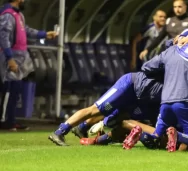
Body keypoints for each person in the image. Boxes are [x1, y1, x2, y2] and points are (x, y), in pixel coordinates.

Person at [48, 72, 163, 146]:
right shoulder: (168, 66)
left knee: (114, 114)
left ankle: (82, 128)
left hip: (138, 101)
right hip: (128, 87)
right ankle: (60, 131)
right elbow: (148, 66)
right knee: (97, 109)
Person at [0, 0, 57, 131]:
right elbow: (3, 38)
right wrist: (9, 58)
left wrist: (44, 34)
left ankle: (11, 120)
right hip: (11, 56)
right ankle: (5, 120)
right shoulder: (7, 15)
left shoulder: (18, 15)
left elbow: (25, 30)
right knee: (8, 89)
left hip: (20, 57)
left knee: (15, 89)